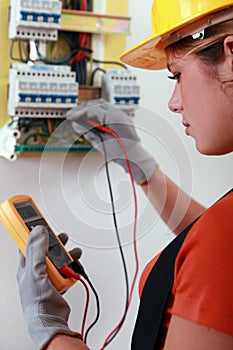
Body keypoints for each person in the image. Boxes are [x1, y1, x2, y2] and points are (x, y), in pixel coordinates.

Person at [16, 0, 233, 349]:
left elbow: (219, 243)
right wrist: (142, 168)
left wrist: (50, 329)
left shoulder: (223, 239)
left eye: (176, 75)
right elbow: (213, 238)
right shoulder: (222, 234)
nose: (173, 102)